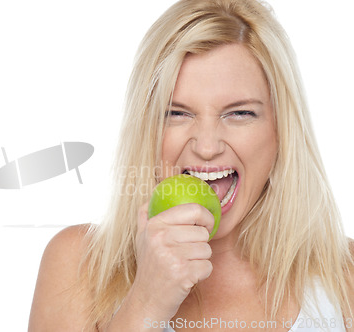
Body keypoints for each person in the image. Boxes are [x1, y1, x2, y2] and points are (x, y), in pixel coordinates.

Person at [28, 0, 354, 331]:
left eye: (239, 113)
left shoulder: (346, 277)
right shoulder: (79, 265)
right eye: (177, 113)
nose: (207, 147)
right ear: (147, 129)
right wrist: (146, 302)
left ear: (280, 130)